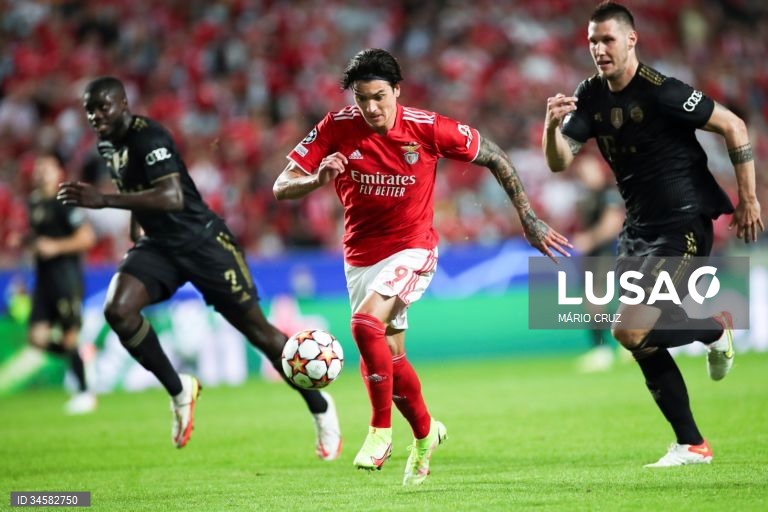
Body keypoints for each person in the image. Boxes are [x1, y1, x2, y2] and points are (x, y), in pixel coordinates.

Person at [273, 48, 571, 485]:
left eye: (379, 96)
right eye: (361, 99)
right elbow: (282, 186)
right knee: (389, 358)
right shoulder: (336, 128)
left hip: (413, 249)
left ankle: (379, 432)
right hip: (359, 256)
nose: (371, 107)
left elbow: (496, 156)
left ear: (397, 90)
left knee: (363, 325)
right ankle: (426, 433)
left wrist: (526, 217)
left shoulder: (428, 128)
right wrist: (315, 180)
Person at [57, 77, 342, 458]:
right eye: (89, 109)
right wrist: (135, 225)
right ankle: (179, 390)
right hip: (159, 245)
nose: (95, 116)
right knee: (118, 310)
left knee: (259, 332)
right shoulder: (108, 142)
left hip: (203, 243)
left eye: (103, 107)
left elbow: (173, 195)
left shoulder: (150, 137)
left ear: (124, 104)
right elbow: (137, 189)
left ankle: (320, 408)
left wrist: (103, 200)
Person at [543, 2, 763, 467]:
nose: (598, 49)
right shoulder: (591, 95)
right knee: (636, 339)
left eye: (607, 40)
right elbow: (560, 159)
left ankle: (713, 329)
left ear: (630, 40)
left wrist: (749, 199)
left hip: (683, 222)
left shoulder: (662, 92)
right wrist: (549, 127)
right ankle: (692, 444)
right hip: (639, 228)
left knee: (629, 327)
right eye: (592, 41)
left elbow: (733, 124)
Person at [26, 154, 97, 414]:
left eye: (47, 167)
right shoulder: (34, 202)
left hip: (66, 277)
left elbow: (87, 238)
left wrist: (55, 247)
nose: (41, 171)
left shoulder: (66, 201)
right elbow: (39, 239)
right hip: (43, 279)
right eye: (38, 166)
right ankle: (82, 356)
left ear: (59, 171)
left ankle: (85, 392)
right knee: (36, 338)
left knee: (69, 338)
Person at [570, 154, 624, 373]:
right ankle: (610, 348)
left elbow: (613, 224)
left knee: (596, 296)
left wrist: (589, 239)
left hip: (607, 251)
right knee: (593, 298)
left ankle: (603, 350)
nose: (586, 176)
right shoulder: (588, 195)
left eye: (589, 171)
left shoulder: (608, 194)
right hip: (594, 254)